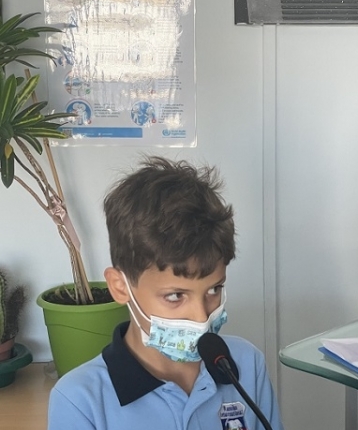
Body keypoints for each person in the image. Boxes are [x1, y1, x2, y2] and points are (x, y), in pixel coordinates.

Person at [47, 157, 284, 430]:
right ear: (120, 286)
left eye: (214, 289)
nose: (201, 318)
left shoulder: (246, 365)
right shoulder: (80, 401)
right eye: (175, 296)